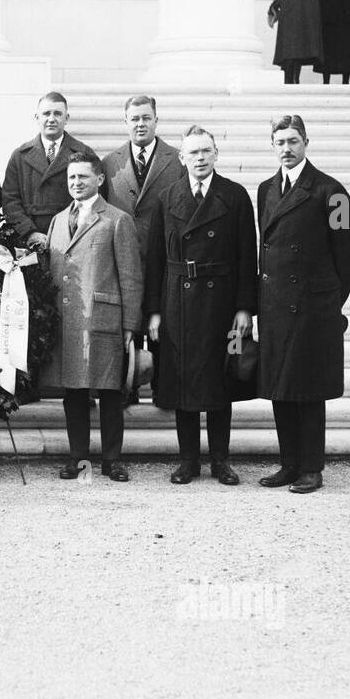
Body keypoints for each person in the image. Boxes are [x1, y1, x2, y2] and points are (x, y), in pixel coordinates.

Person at [255, 116, 350, 494]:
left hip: (313, 309)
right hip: (275, 307)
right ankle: (288, 464)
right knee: (280, 388)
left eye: (293, 141)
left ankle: (311, 468)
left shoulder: (331, 191)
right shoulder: (265, 189)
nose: (286, 149)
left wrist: (329, 300)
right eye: (280, 141)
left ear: (306, 142)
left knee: (309, 390)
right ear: (272, 145)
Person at [145, 126, 257, 485]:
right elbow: (155, 261)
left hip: (221, 302)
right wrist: (155, 312)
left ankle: (221, 461)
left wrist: (244, 308)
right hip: (177, 299)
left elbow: (246, 256)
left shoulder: (235, 196)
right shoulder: (167, 197)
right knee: (183, 382)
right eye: (193, 153)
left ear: (216, 154)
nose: (200, 158)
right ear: (182, 158)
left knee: (220, 381)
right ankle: (188, 461)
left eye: (206, 151)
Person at [43, 150, 143, 483]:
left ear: (99, 179)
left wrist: (130, 324)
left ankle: (112, 459)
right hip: (68, 320)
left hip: (103, 318)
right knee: (73, 393)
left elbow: (130, 275)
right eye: (71, 177)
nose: (76, 183)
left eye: (82, 177)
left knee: (110, 392)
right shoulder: (57, 221)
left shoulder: (116, 219)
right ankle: (78, 458)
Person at [1, 91, 93, 253]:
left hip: (73, 239)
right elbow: (10, 201)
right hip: (30, 243)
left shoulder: (84, 153)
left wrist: (75, 230)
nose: (51, 119)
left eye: (57, 113)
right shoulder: (20, 156)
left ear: (67, 118)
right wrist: (30, 232)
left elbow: (94, 198)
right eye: (46, 114)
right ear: (37, 118)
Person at [99, 94, 187, 261]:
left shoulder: (178, 161)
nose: (140, 124)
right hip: (121, 256)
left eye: (146, 118)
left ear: (156, 120)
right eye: (135, 119)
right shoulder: (109, 163)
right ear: (126, 122)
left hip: (164, 257)